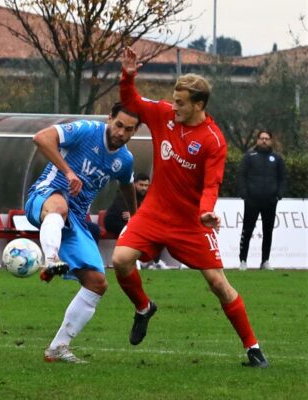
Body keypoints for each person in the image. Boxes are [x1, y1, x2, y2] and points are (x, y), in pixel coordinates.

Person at [111, 46, 268, 368]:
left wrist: (206, 212)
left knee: (218, 283)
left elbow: (212, 184)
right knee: (120, 259)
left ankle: (253, 349)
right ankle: (143, 308)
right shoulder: (164, 115)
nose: (174, 106)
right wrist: (128, 75)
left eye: (181, 102)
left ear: (199, 105)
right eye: (174, 99)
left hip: (190, 221)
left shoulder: (213, 140)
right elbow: (132, 103)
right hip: (154, 211)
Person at [25, 102, 141, 363]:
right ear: (109, 118)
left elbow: (127, 184)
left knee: (97, 283)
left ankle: (58, 348)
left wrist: (136, 217)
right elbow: (41, 138)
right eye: (119, 124)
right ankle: (51, 259)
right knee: (59, 206)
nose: (121, 132)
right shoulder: (87, 130)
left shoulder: (125, 159)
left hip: (75, 219)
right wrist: (68, 172)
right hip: (45, 196)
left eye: (129, 129)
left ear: (135, 132)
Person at [237, 130, 286, 271]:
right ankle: (243, 260)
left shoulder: (277, 158)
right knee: (247, 230)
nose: (264, 141)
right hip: (252, 200)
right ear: (257, 140)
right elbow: (242, 175)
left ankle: (265, 261)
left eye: (267, 138)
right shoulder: (249, 157)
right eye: (261, 138)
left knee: (268, 231)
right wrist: (244, 194)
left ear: (271, 141)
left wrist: (279, 195)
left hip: (270, 201)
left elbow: (282, 178)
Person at [104, 172, 167, 269]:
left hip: (129, 222)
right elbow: (125, 215)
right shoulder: (125, 194)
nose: (144, 188)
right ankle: (135, 260)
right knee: (137, 231)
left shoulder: (147, 197)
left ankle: (153, 261)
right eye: (141, 185)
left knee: (157, 231)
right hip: (114, 222)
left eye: (146, 185)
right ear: (135, 184)